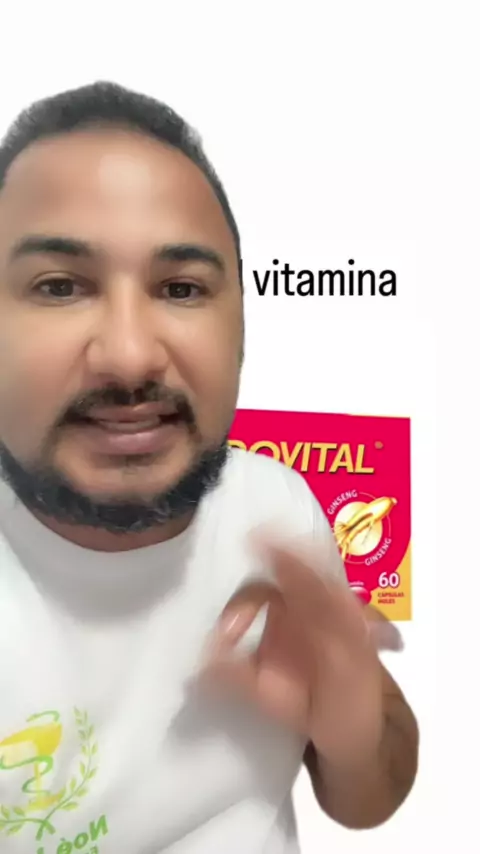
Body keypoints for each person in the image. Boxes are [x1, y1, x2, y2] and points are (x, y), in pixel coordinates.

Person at [0, 81, 418, 853]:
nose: (130, 354)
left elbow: (367, 798)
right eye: (59, 287)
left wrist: (355, 734)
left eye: (181, 288)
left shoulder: (277, 509)